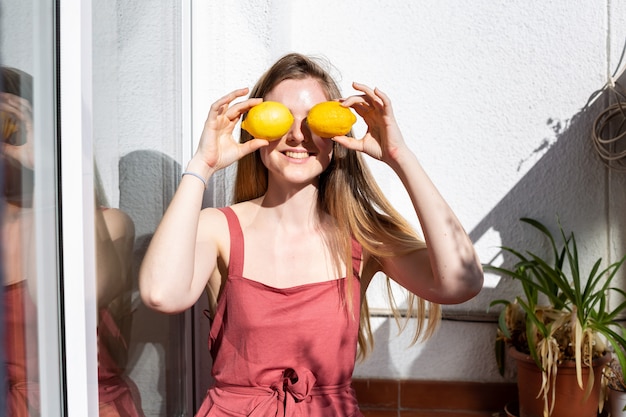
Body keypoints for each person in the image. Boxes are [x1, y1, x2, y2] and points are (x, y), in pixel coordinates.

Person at [139, 53, 484, 416]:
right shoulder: (219, 228)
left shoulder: (362, 237)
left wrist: (400, 156)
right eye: (280, 118)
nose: (297, 135)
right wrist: (201, 166)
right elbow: (160, 294)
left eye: (313, 121)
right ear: (256, 128)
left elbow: (461, 283)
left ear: (335, 136)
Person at [2, 66, 144, 417]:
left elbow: (87, 289)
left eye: (13, 127)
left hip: (83, 405)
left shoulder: (108, 223)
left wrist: (54, 167)